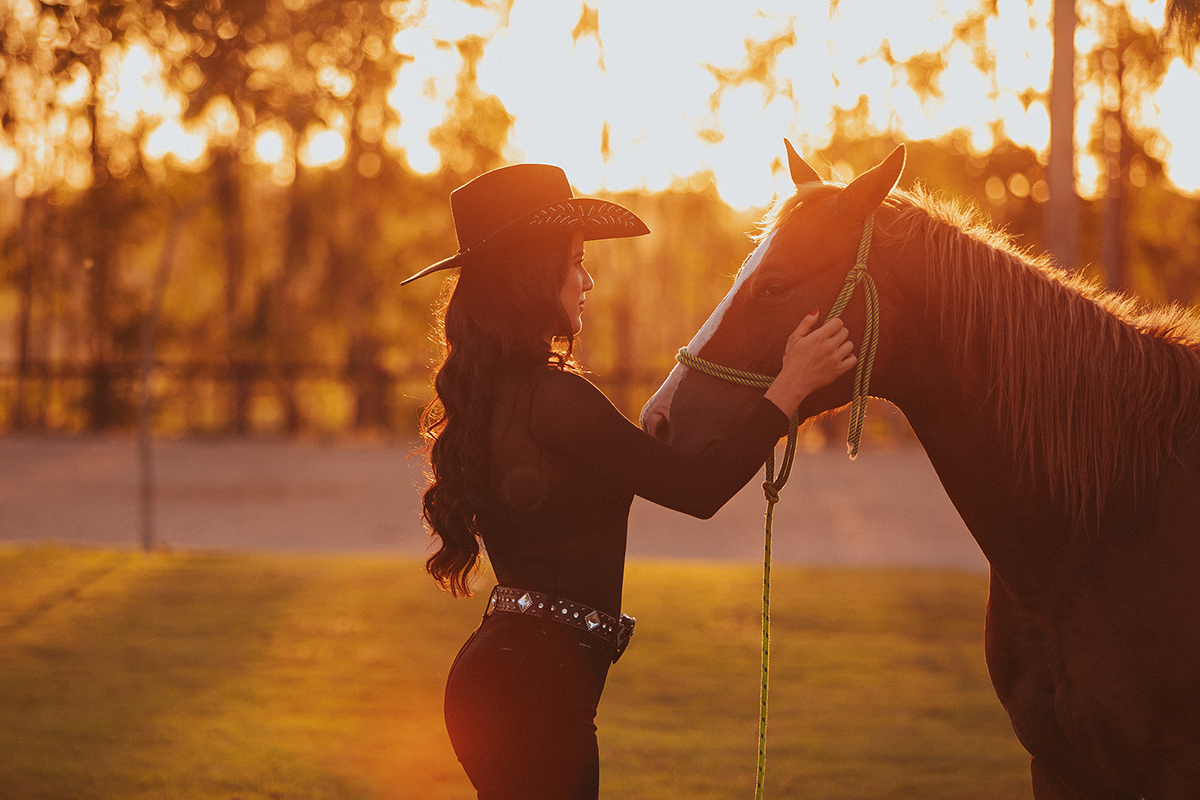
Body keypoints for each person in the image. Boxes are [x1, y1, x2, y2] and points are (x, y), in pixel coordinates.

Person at [405, 163, 856, 800]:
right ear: (533, 273)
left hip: (507, 681)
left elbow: (619, 465)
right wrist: (788, 389)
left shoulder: (502, 392)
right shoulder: (553, 396)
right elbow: (699, 490)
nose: (587, 281)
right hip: (533, 695)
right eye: (575, 262)